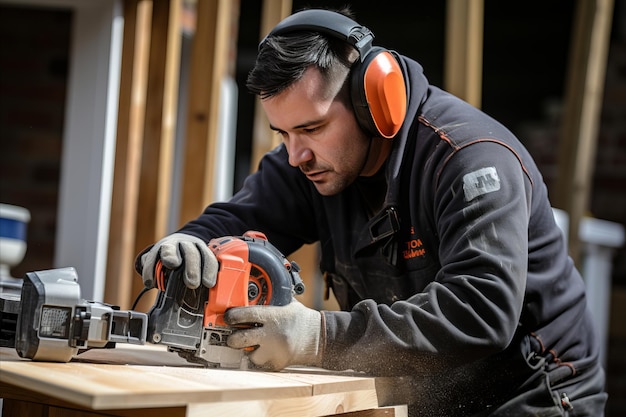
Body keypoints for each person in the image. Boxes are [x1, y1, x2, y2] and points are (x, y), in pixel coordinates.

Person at [135, 7, 607, 416]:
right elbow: (236, 221)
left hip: (534, 396)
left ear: (372, 102)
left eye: (312, 128)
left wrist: (320, 337)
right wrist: (185, 245)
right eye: (283, 134)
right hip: (424, 395)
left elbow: (480, 309)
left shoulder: (470, 159)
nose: (296, 154)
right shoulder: (311, 163)